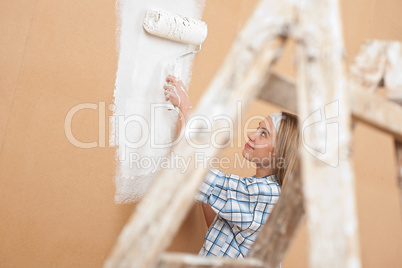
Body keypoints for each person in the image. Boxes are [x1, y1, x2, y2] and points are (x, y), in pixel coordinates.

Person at [163, 75, 300, 262]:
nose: (252, 135)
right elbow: (223, 229)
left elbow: (202, 178)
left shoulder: (267, 194)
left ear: (280, 154)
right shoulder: (260, 189)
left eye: (263, 134)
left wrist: (187, 109)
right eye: (258, 128)